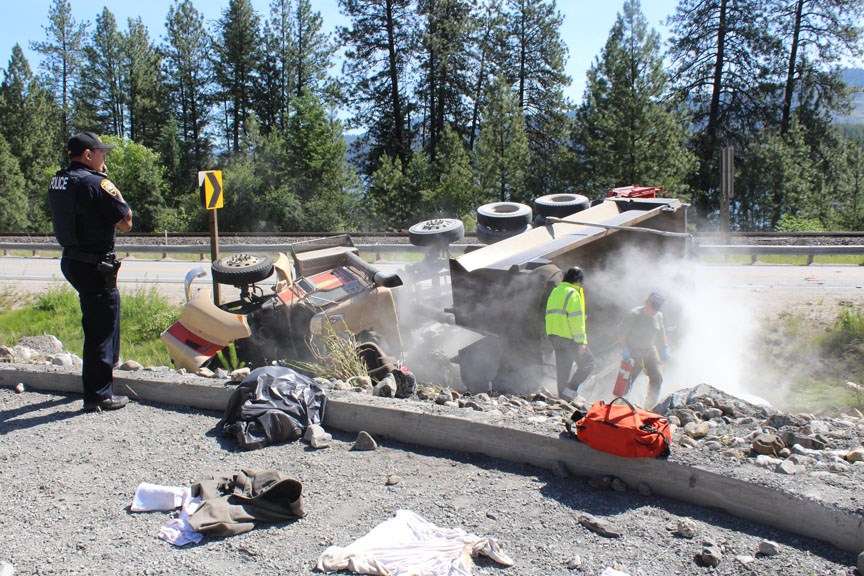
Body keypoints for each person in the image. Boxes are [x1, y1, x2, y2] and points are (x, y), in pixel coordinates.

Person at [47, 132, 133, 412]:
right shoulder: (97, 183)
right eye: (101, 152)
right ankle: (99, 395)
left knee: (99, 320)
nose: (104, 157)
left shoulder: (58, 180)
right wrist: (110, 184)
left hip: (72, 261)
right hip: (95, 265)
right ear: (87, 155)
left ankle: (102, 373)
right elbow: (125, 222)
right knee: (101, 329)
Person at [545, 266, 594, 400]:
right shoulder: (573, 293)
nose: (581, 285)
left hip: (554, 336)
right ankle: (570, 391)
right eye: (581, 282)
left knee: (563, 368)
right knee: (588, 363)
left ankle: (563, 398)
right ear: (577, 280)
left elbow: (552, 315)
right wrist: (581, 342)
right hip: (569, 338)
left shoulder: (556, 291)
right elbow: (575, 319)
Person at [618, 292, 670, 408]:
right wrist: (625, 349)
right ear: (647, 302)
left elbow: (661, 332)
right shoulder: (634, 314)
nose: (654, 311)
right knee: (627, 381)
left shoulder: (658, 315)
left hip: (649, 350)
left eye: (657, 308)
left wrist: (665, 347)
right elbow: (621, 334)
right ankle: (618, 406)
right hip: (634, 351)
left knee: (657, 378)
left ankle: (649, 406)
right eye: (653, 307)